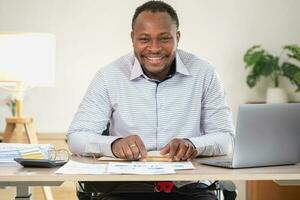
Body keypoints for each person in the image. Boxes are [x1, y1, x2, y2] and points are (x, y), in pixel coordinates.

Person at [68, 1, 235, 199]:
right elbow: (76, 137)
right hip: (125, 189)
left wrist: (193, 144)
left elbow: (226, 139)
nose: (154, 48)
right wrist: (114, 145)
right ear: (132, 38)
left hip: (190, 188)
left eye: (164, 38)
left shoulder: (205, 74)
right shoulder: (109, 76)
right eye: (144, 39)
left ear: (177, 37)